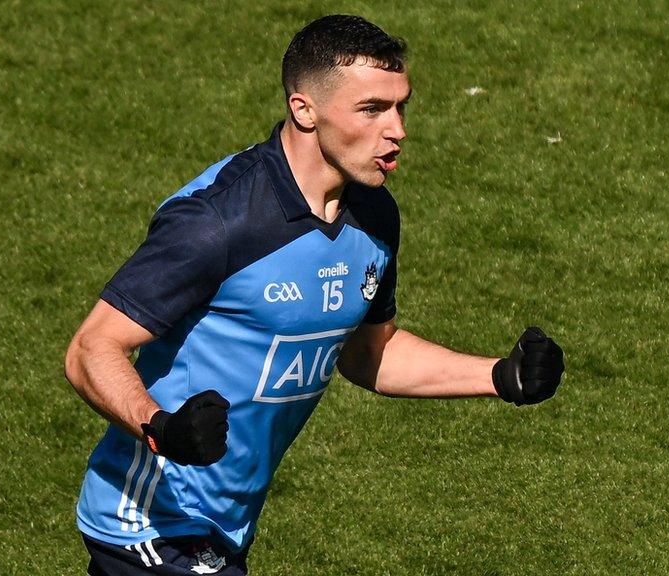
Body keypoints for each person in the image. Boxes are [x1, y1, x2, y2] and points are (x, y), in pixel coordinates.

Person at [64, 14, 565, 576]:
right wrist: (159, 426)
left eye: (401, 107)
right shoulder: (218, 222)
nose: (397, 129)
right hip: (151, 523)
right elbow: (91, 348)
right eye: (372, 109)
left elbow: (365, 352)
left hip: (225, 524)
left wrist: (500, 376)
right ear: (305, 109)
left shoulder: (373, 214)